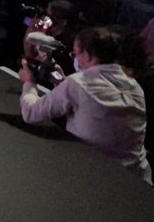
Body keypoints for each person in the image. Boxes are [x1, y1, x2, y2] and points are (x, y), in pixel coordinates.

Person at [19, 27, 151, 185]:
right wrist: (61, 82)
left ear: (88, 55)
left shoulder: (78, 84)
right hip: (136, 181)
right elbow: (94, 101)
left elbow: (30, 113)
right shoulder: (134, 86)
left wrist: (29, 83)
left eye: (75, 54)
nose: (75, 59)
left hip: (91, 180)